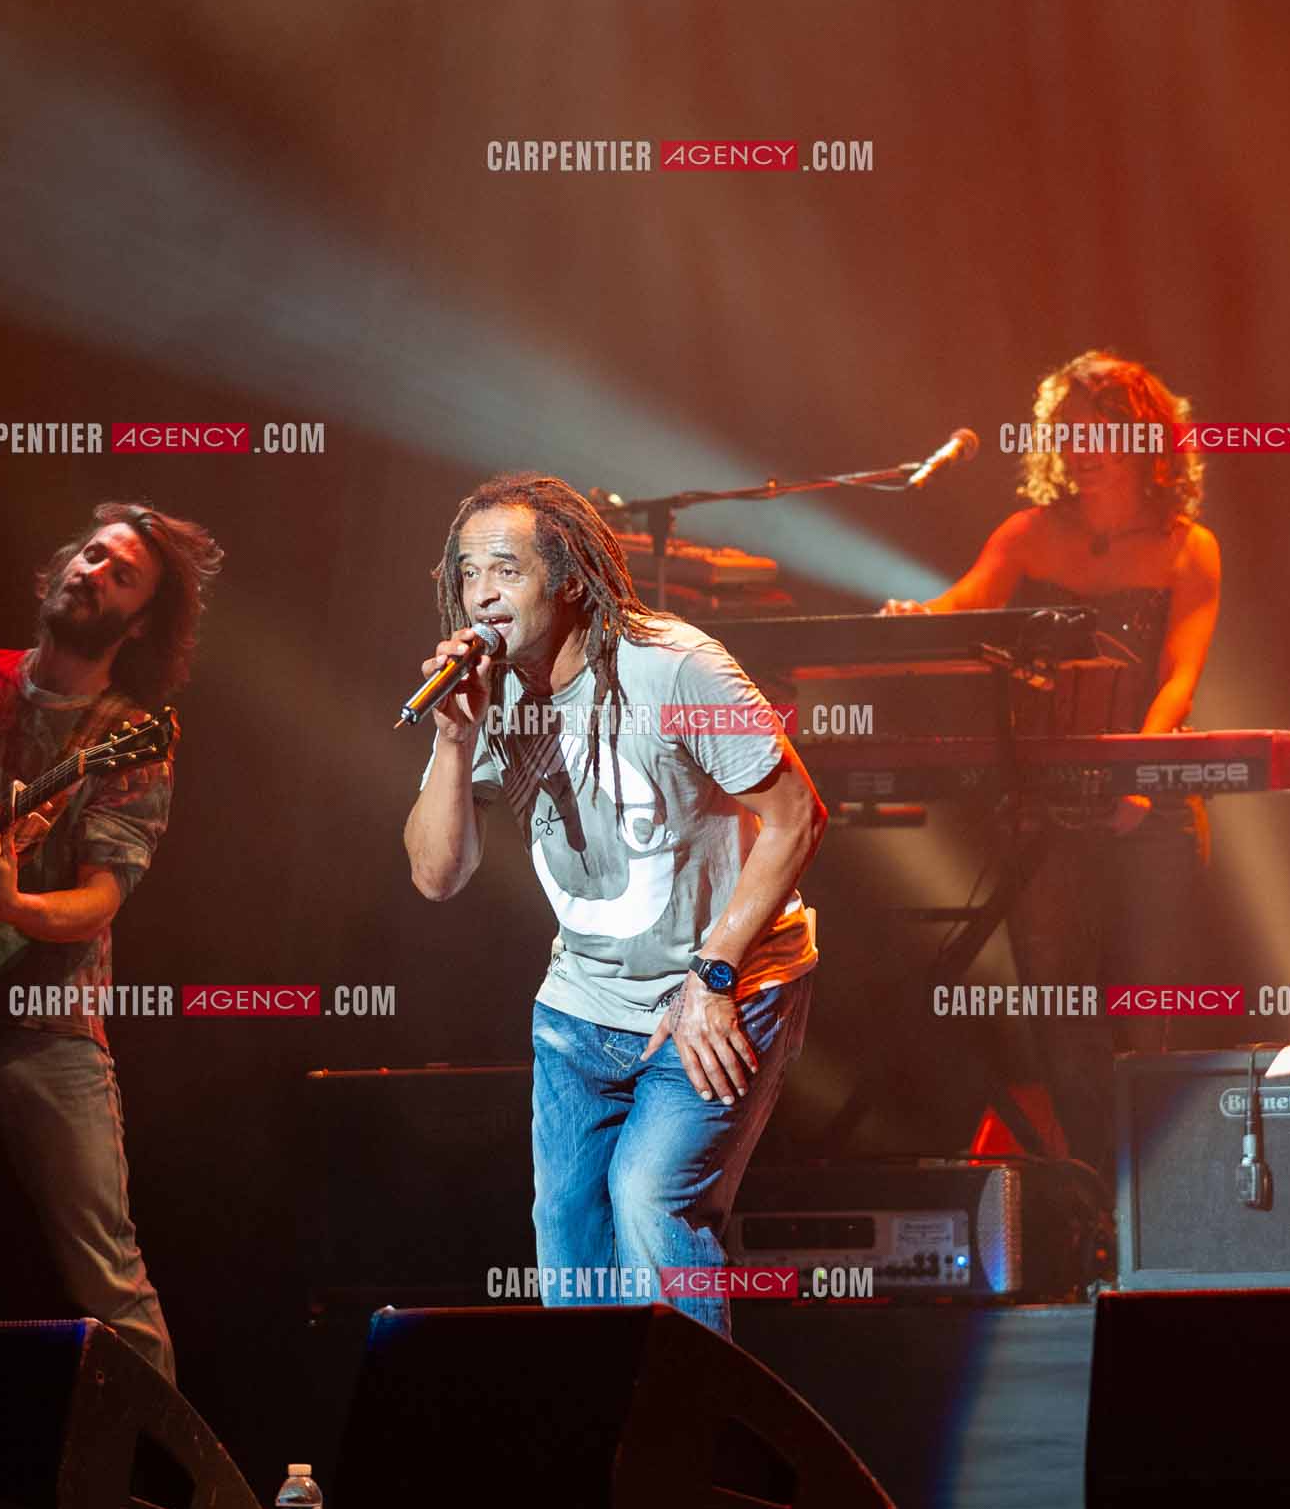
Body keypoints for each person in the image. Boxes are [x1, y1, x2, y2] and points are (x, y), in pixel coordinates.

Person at [405, 473, 826, 1337]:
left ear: (566, 578)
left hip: (714, 994)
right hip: (580, 1009)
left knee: (651, 1204)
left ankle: (690, 1457)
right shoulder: (487, 695)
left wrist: (714, 974)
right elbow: (435, 876)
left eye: (504, 568)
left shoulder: (673, 667)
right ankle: (600, 1455)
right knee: (570, 1249)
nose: (481, 591)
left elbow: (797, 817)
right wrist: (455, 740)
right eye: (466, 572)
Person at [883, 354, 1222, 1192]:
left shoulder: (1190, 547)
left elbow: (1179, 675)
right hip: (1047, 804)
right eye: (1069, 432)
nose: (1083, 448)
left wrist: (1138, 777)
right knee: (1061, 1011)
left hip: (1157, 800)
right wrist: (907, 618)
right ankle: (1098, 1203)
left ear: (1148, 442)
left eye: (1100, 430)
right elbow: (956, 609)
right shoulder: (1028, 533)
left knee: (1148, 1015)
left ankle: (1169, 1204)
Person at [0, 502, 224, 1380]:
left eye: (122, 574)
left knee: (109, 1287)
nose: (94, 573)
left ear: (139, 622)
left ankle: (172, 1506)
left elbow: (98, 900)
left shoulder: (129, 740)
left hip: (46, 1030)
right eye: (92, 555)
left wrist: (8, 902)